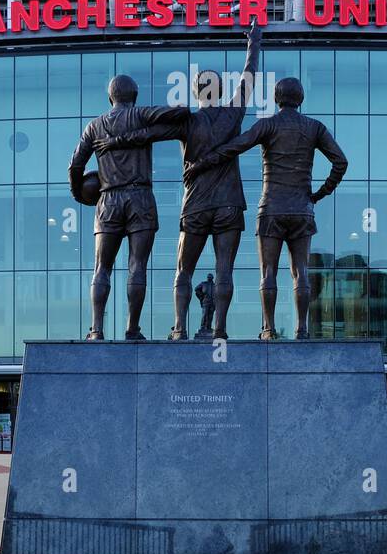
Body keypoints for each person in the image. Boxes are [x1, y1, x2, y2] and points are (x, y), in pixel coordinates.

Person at [95, 24, 261, 339]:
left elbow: (148, 134)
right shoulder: (234, 113)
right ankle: (220, 330)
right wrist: (254, 42)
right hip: (229, 204)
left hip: (196, 205)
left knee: (183, 271)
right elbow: (249, 76)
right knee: (224, 269)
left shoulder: (188, 121)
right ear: (223, 91)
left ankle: (181, 329)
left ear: (197, 93)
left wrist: (115, 142)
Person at [185, 77, 348, 340]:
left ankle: (269, 329)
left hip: (271, 207)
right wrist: (319, 193)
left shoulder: (268, 125)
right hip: (301, 208)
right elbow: (341, 161)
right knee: (301, 272)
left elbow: (235, 146)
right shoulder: (314, 127)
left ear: (276, 98)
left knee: (268, 272)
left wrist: (203, 162)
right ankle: (302, 330)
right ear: (301, 99)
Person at [69, 79, 189, 340]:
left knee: (102, 267)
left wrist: (79, 194)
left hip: (108, 199)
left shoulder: (94, 126)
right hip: (140, 197)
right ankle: (132, 329)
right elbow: (182, 112)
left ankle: (96, 330)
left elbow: (75, 165)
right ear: (134, 96)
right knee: (138, 265)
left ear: (110, 98)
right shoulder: (141, 114)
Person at [195, 274, 217, 338]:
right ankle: (203, 327)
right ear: (207, 278)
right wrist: (201, 296)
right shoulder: (203, 284)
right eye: (208, 277)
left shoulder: (215, 285)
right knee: (204, 314)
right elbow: (196, 289)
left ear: (212, 278)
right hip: (206, 301)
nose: (209, 278)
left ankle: (209, 327)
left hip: (212, 302)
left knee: (210, 315)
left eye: (210, 277)